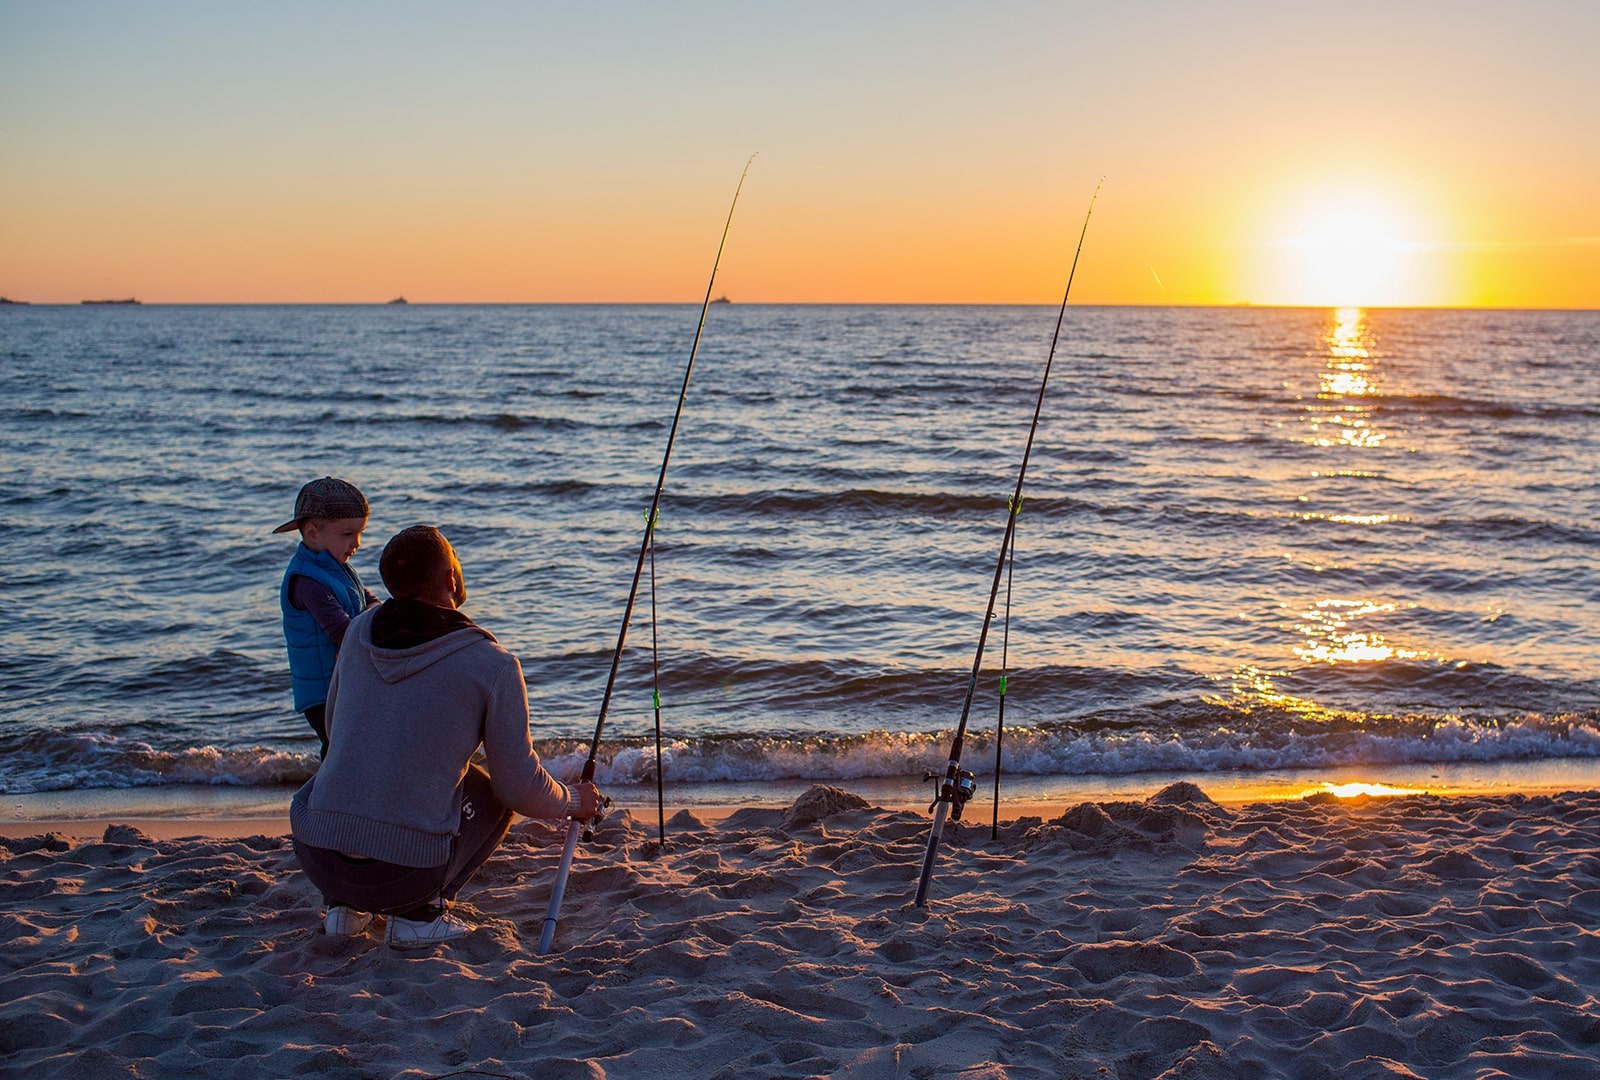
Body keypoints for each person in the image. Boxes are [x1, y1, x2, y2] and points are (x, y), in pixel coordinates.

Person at [289, 524, 606, 949]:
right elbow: (520, 788)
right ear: (451, 579)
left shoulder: (355, 636)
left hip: (317, 855)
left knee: (358, 757)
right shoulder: (491, 664)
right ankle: (421, 915)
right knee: (494, 791)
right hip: (403, 876)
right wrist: (573, 801)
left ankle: (344, 910)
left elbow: (335, 729)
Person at [273, 476, 380, 758]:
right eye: (347, 534)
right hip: (324, 691)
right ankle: (323, 800)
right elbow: (342, 631)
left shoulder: (336, 567)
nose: (356, 543)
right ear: (311, 533)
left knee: (350, 748)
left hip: (344, 681)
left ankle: (335, 796)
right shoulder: (308, 580)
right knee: (341, 751)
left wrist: (380, 611)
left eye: (360, 534)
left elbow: (366, 599)